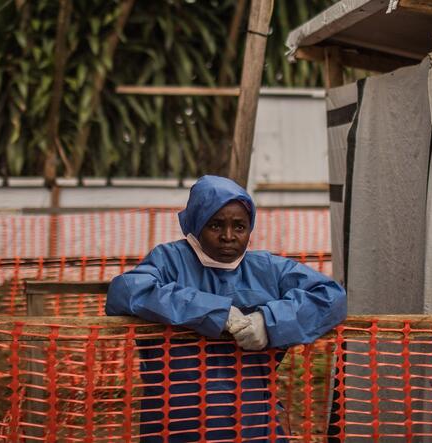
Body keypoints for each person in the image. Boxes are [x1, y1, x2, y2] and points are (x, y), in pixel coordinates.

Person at [105, 175, 346, 442]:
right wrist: (214, 312)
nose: (228, 237)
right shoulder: (169, 260)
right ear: (196, 223)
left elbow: (331, 297)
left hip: (253, 422)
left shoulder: (266, 269)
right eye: (215, 225)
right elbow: (125, 290)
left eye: (240, 227)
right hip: (175, 425)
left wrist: (268, 322)